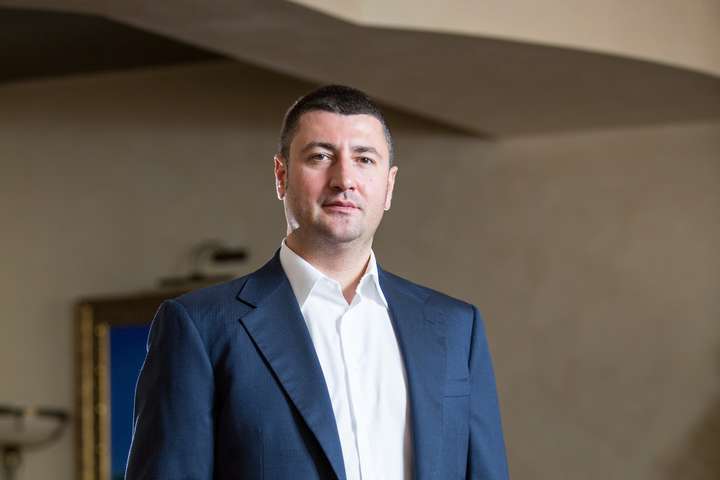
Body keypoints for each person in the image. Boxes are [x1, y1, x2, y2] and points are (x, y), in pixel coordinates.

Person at [125, 85, 508, 480]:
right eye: (320, 157)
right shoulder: (201, 328)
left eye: (364, 159)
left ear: (389, 186)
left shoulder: (455, 327)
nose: (344, 179)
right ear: (281, 176)